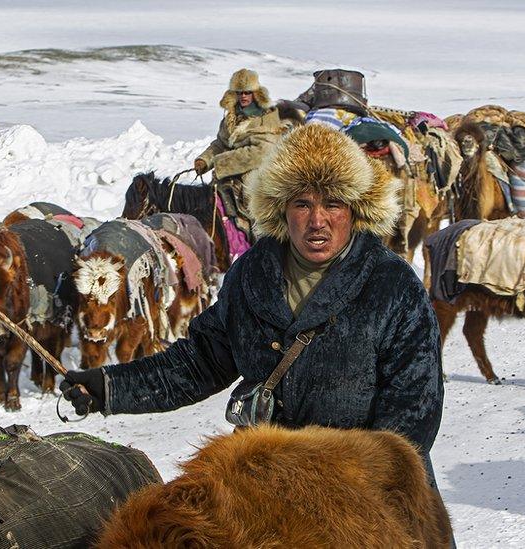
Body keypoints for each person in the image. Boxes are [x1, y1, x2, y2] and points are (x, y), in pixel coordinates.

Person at [62, 123, 445, 485]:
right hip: (267, 483)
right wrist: (109, 387)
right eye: (302, 204)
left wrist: (356, 483)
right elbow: (201, 361)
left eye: (333, 203)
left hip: (366, 489)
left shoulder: (392, 285)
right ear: (280, 208)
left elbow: (413, 408)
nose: (317, 221)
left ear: (355, 210)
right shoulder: (253, 273)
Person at [193, 68, 283, 240]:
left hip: (257, 173)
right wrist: (204, 160)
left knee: (255, 208)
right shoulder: (231, 118)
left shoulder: (267, 118)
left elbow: (262, 152)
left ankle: (259, 241)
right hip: (228, 173)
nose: (243, 96)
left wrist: (223, 162)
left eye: (248, 92)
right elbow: (221, 144)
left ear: (255, 93)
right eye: (239, 92)